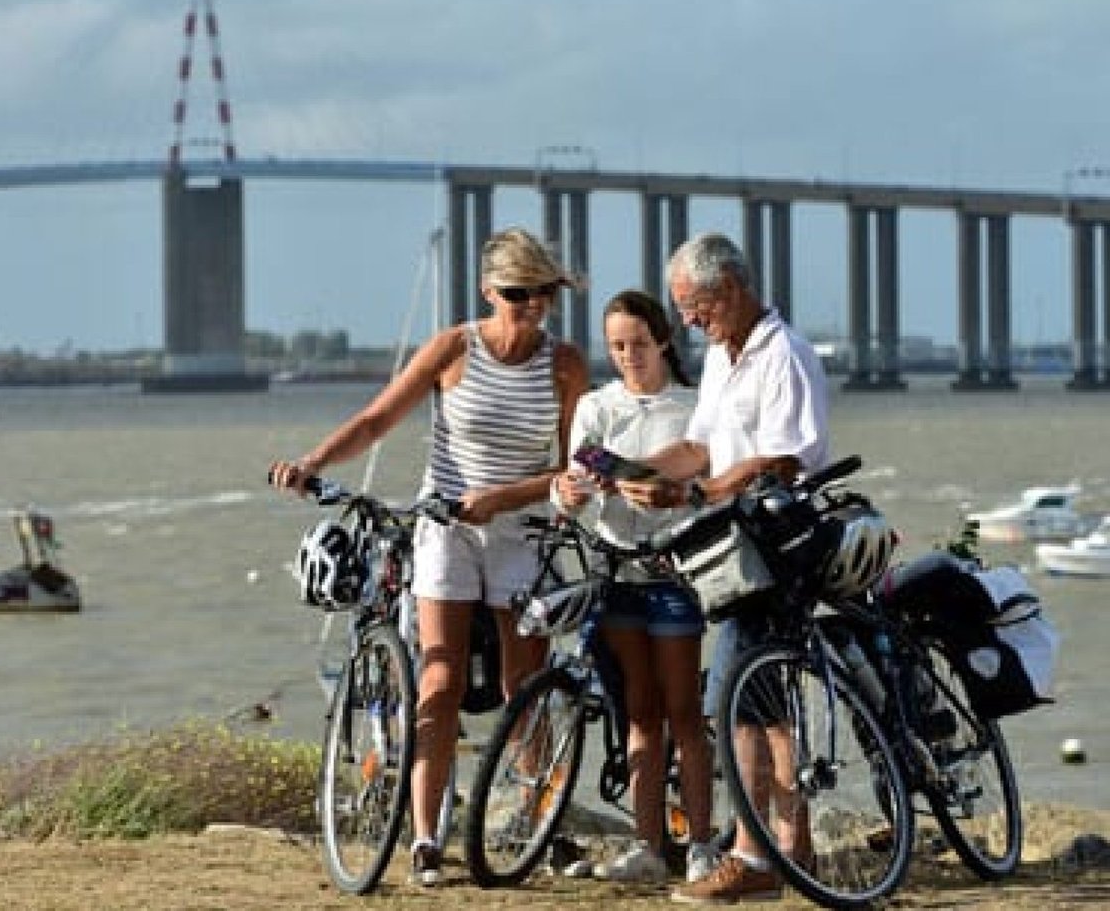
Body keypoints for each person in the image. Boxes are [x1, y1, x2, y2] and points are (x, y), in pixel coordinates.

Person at [268, 227, 590, 887]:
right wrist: (312, 463)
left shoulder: (565, 364)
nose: (528, 307)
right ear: (487, 290)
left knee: (520, 689)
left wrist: (505, 496)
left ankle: (535, 818)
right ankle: (423, 835)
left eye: (541, 295)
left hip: (520, 529)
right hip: (445, 526)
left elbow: (573, 467)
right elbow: (377, 419)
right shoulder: (453, 349)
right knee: (437, 681)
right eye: (515, 294)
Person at [610, 231, 829, 905]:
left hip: (777, 542)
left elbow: (782, 459)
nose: (687, 321)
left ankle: (753, 855)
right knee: (763, 704)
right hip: (735, 550)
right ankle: (795, 850)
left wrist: (701, 492)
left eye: (694, 305)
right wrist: (642, 475)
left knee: (737, 693)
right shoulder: (721, 357)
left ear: (729, 288)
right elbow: (701, 446)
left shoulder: (781, 354)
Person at [551, 289, 717, 885]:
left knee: (684, 710)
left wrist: (674, 491)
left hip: (673, 575)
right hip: (614, 572)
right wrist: (567, 496)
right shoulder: (596, 408)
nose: (628, 356)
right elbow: (572, 485)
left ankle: (700, 844)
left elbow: (711, 483)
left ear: (664, 341)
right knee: (640, 713)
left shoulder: (694, 408)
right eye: (617, 346)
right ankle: (647, 843)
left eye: (639, 344)